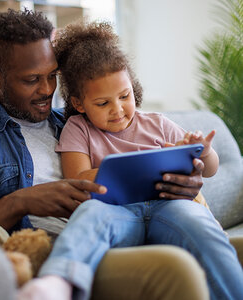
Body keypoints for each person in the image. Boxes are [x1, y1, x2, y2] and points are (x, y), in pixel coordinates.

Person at [0, 9, 234, 300]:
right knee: (177, 268)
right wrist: (21, 202)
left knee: (225, 246)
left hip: (137, 223)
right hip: (50, 248)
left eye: (52, 76)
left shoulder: (69, 121)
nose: (47, 90)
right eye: (31, 79)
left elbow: (197, 168)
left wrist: (188, 180)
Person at [17, 21, 243, 300]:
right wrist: (131, 169)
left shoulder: (158, 123)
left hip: (168, 207)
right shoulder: (79, 128)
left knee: (200, 224)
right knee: (89, 218)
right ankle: (56, 282)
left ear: (133, 89)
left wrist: (203, 152)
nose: (117, 109)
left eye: (125, 96)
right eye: (103, 103)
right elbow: (77, 179)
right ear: (79, 104)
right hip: (116, 212)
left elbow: (209, 170)